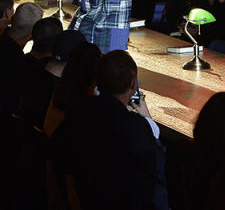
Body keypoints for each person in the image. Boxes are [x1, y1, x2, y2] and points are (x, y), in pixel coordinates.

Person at [52, 49, 166, 210]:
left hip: (81, 199)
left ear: (97, 81)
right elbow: (159, 173)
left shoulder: (77, 111)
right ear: (133, 84)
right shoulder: (134, 127)